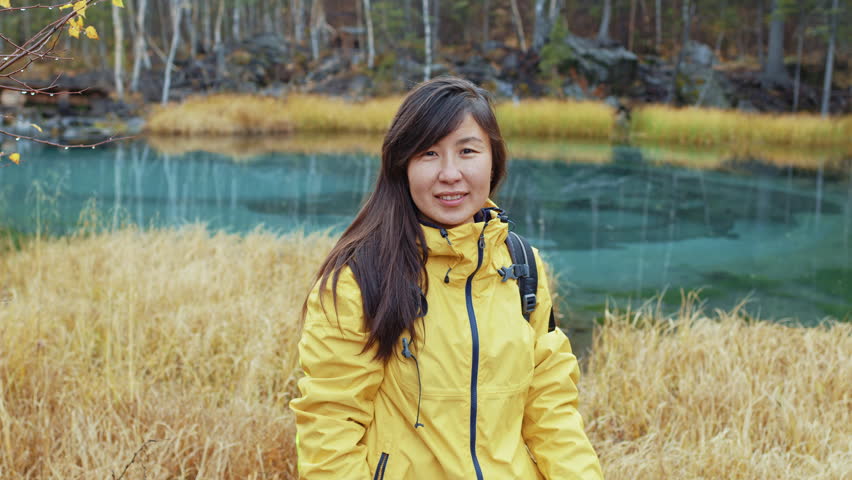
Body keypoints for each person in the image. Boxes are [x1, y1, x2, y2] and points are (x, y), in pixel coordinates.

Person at [289, 76, 602, 479]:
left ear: (494, 160)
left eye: (467, 151)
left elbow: (551, 407)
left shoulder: (522, 265)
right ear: (402, 165)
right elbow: (329, 429)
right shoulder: (360, 278)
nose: (450, 173)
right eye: (429, 154)